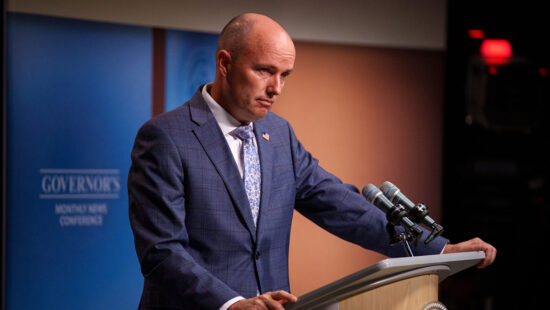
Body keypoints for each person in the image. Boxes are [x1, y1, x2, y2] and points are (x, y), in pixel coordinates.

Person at [128, 13, 496, 310]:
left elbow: (340, 204)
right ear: (225, 63)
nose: (277, 88)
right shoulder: (166, 137)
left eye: (284, 75)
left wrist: (439, 249)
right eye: (264, 71)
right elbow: (162, 251)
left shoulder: (279, 134)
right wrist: (233, 303)